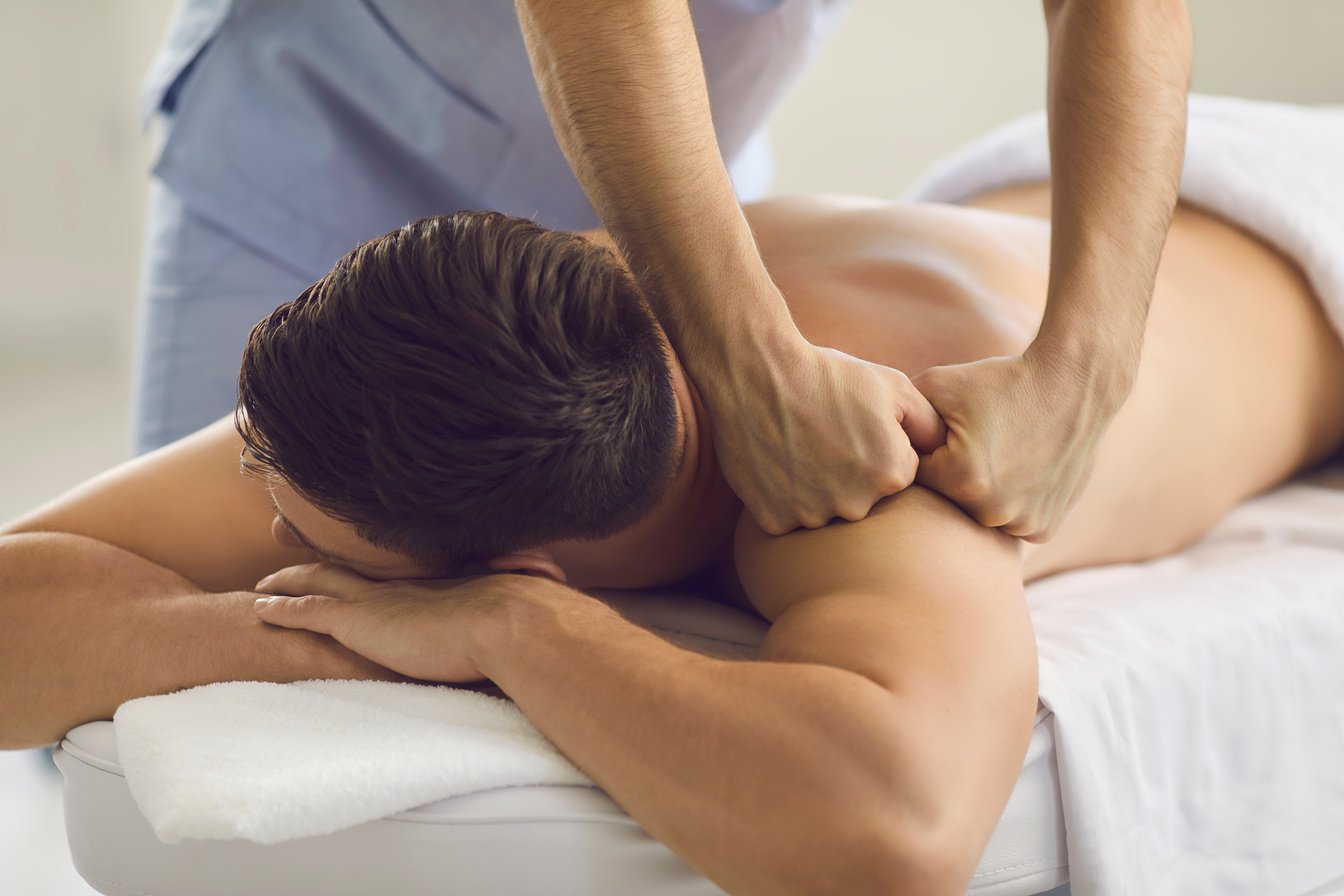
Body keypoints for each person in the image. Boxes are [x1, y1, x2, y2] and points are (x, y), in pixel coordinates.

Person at [6, 139, 1342, 891]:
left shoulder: (864, 470)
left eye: (304, 542)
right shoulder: (520, 334)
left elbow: (893, 832)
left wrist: (505, 631)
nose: (263, 532)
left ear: (542, 561)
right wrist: (294, 628)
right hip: (1038, 198)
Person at [135, 0, 1194, 540]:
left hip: (672, 162)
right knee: (211, 581)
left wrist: (1086, 376)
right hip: (336, 115)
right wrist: (750, 363)